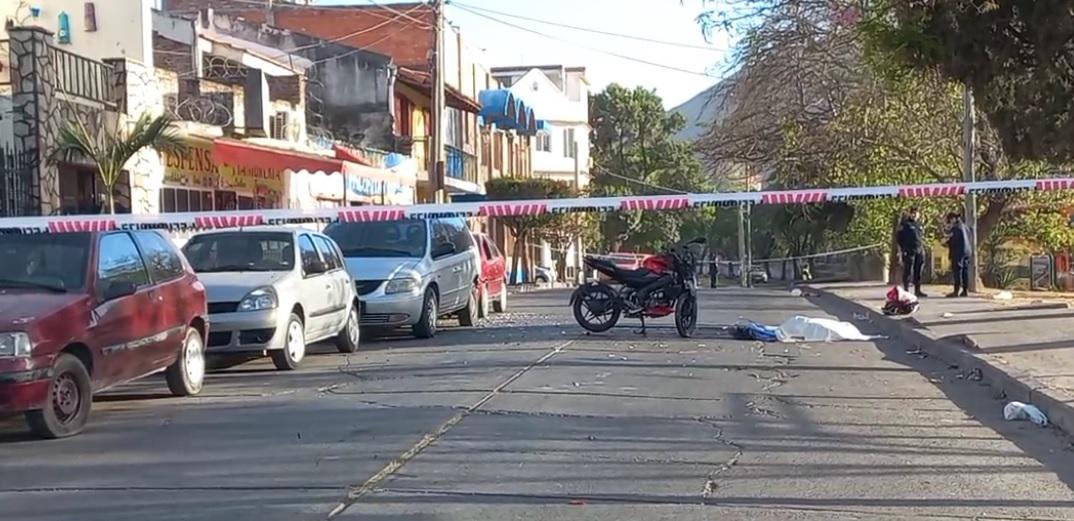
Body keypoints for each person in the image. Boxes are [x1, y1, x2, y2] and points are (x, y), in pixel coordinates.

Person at [896, 207, 927, 297]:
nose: (914, 215)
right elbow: (899, 239)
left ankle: (918, 290)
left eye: (916, 213)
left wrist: (922, 250)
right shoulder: (905, 224)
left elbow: (920, 238)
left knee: (918, 271)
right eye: (913, 213)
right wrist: (901, 251)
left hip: (919, 250)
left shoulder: (919, 225)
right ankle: (906, 290)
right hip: (909, 251)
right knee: (908, 271)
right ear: (909, 214)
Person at [944, 212, 970, 297]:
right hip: (966, 251)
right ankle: (965, 290)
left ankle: (956, 291)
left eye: (950, 220)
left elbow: (953, 241)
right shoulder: (966, 227)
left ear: (953, 219)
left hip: (958, 252)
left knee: (957, 271)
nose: (950, 222)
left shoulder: (956, 228)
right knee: (965, 271)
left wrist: (946, 242)